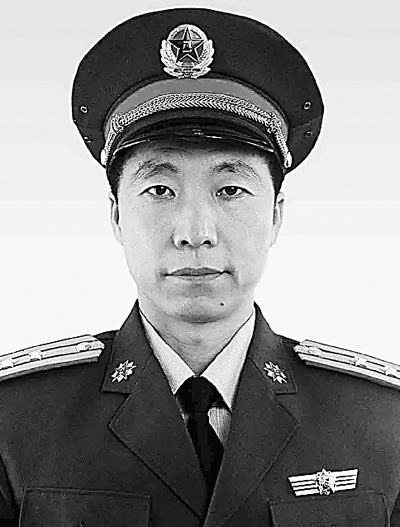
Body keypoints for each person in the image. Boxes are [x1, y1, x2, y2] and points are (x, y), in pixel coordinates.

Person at [0, 7, 399, 526]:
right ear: (117, 215)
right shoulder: (15, 421)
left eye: (229, 189)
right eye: (159, 189)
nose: (194, 231)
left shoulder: (382, 421)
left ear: (276, 215)